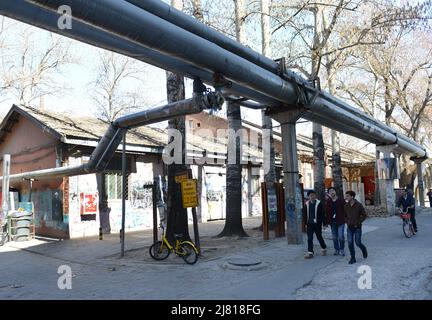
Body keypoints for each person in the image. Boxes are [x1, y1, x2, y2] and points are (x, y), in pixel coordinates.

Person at [344, 191, 368, 264]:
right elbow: (345, 216)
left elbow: (364, 215)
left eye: (347, 196)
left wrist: (358, 222)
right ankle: (353, 257)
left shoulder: (359, 205)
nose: (346, 197)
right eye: (346, 196)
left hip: (357, 227)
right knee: (350, 243)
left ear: (352, 196)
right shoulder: (346, 206)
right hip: (349, 227)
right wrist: (347, 221)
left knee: (358, 243)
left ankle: (364, 249)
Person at [302, 190, 327, 259]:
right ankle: (310, 252)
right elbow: (304, 215)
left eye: (313, 195)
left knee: (319, 237)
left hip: (317, 224)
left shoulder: (319, 203)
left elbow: (323, 214)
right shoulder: (306, 204)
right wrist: (304, 224)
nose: (312, 197)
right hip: (309, 224)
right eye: (310, 195)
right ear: (308, 197)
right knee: (309, 238)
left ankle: (323, 247)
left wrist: (324, 224)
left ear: (315, 196)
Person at [325, 187, 346, 256]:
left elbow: (345, 210)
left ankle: (342, 249)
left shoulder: (341, 200)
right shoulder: (328, 201)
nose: (332, 192)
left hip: (341, 221)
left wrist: (345, 218)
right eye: (330, 191)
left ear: (335, 192)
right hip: (332, 222)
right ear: (329, 193)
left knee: (341, 236)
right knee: (334, 237)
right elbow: (327, 212)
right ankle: (336, 249)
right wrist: (327, 222)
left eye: (333, 191)